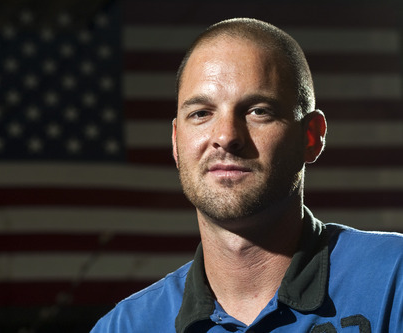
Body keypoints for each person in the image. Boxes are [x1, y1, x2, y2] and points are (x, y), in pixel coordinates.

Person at [91, 18, 403, 332]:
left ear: (311, 137)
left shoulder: (395, 279)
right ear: (175, 142)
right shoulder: (125, 326)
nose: (226, 136)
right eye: (201, 113)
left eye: (258, 111)